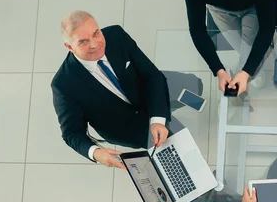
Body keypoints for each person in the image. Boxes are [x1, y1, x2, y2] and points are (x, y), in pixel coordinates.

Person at [52, 11, 196, 169]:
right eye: (83, 42)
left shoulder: (116, 35)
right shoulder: (63, 84)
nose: (95, 44)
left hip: (144, 91)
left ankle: (168, 109)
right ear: (69, 47)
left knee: (196, 86)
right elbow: (72, 133)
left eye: (96, 33)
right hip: (123, 124)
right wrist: (96, 152)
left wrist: (157, 119)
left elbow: (152, 76)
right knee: (176, 146)